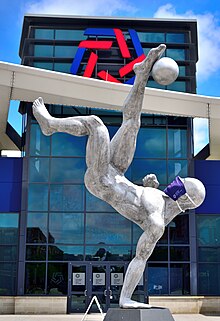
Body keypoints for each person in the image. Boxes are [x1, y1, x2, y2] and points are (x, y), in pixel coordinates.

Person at [32, 44, 205, 309]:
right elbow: (137, 194)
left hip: (102, 180)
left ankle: (49, 126)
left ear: (185, 202)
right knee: (132, 121)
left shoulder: (156, 223)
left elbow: (140, 259)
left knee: (96, 125)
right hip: (118, 172)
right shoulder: (159, 196)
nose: (175, 183)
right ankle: (141, 73)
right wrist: (148, 186)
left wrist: (125, 298)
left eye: (180, 186)